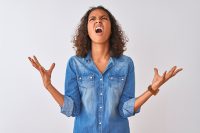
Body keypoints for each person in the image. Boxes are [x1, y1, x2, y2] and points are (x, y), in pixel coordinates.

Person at [28, 6, 182, 133]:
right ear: (86, 29)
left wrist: (152, 89)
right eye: (92, 19)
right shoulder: (75, 64)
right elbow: (72, 109)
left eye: (103, 18)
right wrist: (49, 86)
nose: (98, 21)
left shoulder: (126, 64)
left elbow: (125, 109)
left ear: (111, 28)